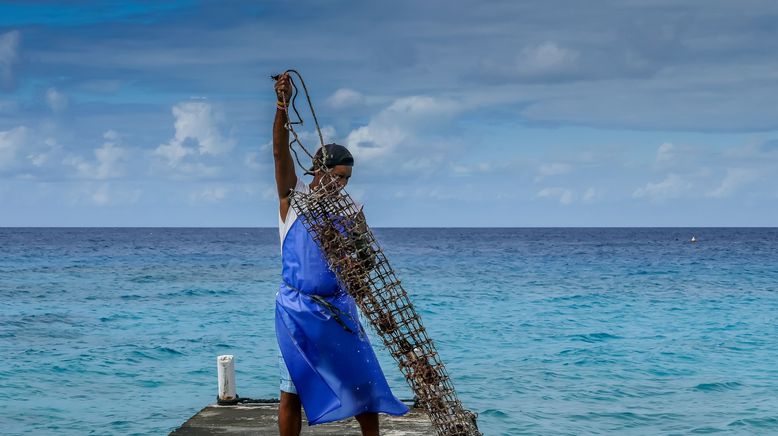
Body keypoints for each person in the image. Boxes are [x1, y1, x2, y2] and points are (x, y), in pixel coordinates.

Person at [272, 73, 408, 436]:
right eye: (337, 176)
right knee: (292, 389)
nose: (341, 185)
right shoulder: (293, 201)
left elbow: (366, 262)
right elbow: (279, 150)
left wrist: (360, 258)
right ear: (318, 171)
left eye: (347, 179)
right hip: (298, 310)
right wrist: (282, 105)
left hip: (340, 308)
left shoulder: (352, 212)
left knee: (364, 385)